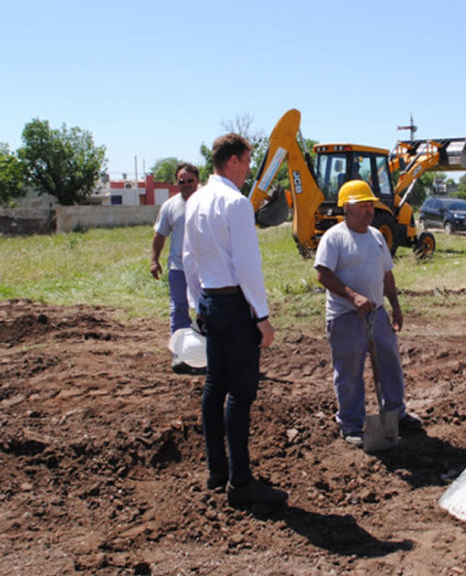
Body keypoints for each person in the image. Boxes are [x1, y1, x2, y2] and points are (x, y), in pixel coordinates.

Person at [181, 133, 287, 507]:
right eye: (247, 161)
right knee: (240, 394)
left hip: (210, 301)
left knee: (214, 386)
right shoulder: (236, 203)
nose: (248, 170)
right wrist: (262, 316)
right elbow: (247, 266)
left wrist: (198, 304)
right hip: (235, 306)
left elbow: (188, 258)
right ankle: (241, 484)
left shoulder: (194, 201)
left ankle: (217, 471)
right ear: (234, 161)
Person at [313, 180, 422, 448]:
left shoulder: (376, 236)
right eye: (362, 205)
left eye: (370, 204)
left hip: (378, 313)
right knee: (349, 370)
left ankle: (396, 413)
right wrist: (352, 296)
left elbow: (386, 273)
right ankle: (350, 422)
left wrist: (395, 306)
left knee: (389, 363)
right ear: (347, 208)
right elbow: (323, 274)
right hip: (345, 316)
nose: (369, 210)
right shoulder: (334, 237)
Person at [150, 162, 201, 373]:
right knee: (179, 310)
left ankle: (203, 354)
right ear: (176, 183)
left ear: (198, 181)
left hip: (204, 269)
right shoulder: (170, 206)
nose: (187, 185)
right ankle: (180, 355)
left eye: (190, 181)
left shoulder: (208, 202)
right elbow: (159, 235)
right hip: (178, 269)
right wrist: (154, 260)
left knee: (204, 311)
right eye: (182, 181)